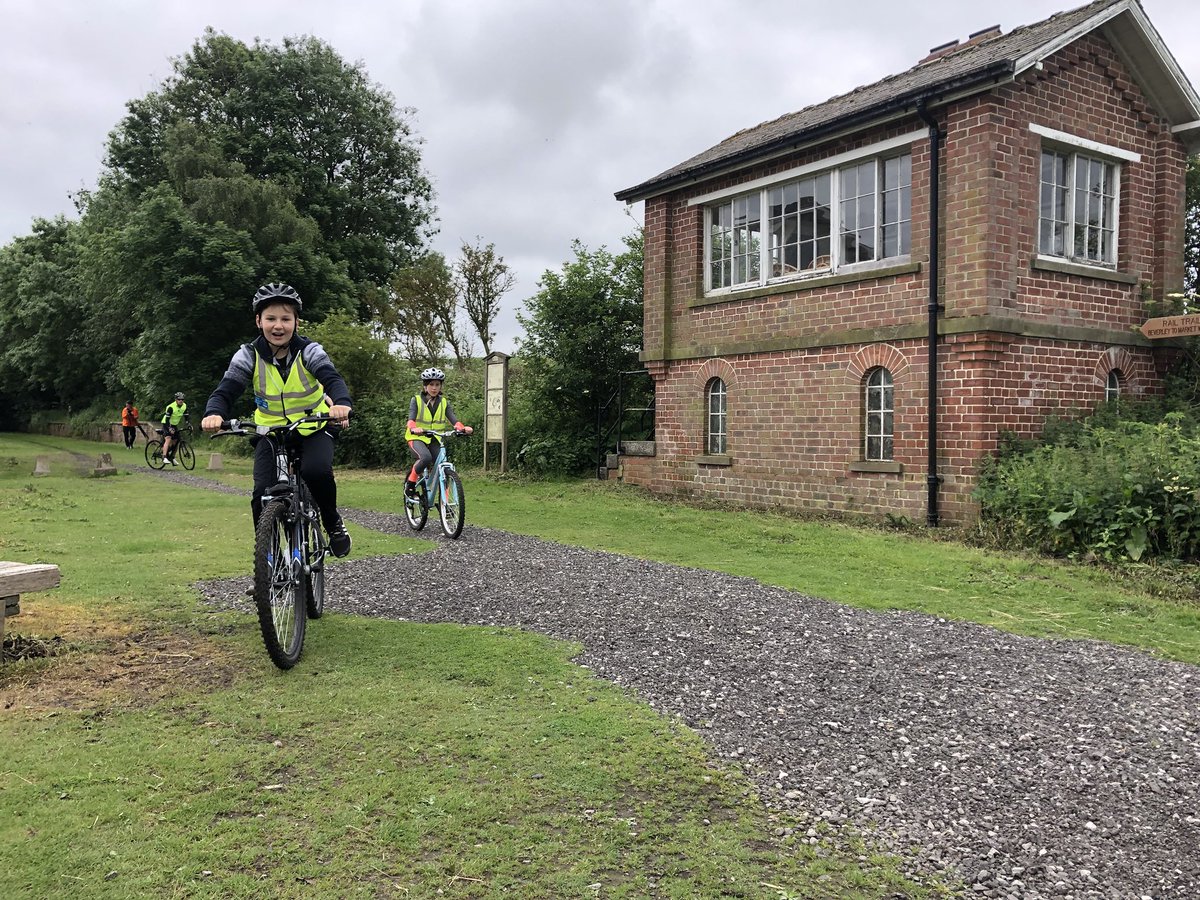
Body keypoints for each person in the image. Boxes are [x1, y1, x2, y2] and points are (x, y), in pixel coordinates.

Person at [201, 283, 353, 558]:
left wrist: (341, 403)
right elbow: (227, 389)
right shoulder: (248, 354)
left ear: (296, 321)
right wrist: (214, 413)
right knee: (261, 493)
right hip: (269, 433)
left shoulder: (309, 351)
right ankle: (267, 560)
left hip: (312, 428)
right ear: (259, 321)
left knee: (316, 472)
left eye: (286, 318)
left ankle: (332, 522)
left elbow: (331, 377)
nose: (278, 326)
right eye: (271, 318)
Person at [404, 367, 473, 497]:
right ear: (425, 386)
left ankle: (445, 503)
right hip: (417, 438)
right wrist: (414, 428)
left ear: (441, 386)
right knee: (425, 458)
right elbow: (410, 420)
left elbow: (454, 420)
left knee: (443, 466)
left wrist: (462, 428)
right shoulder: (416, 400)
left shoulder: (444, 402)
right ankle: (411, 484)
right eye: (431, 384)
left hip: (435, 438)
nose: (434, 388)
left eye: (437, 384)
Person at [160, 392, 188, 465]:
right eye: (179, 399)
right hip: (166, 423)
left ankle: (172, 457)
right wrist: (169, 428)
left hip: (174, 424)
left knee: (177, 441)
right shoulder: (171, 407)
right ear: (176, 400)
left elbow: (186, 415)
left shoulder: (184, 406)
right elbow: (167, 419)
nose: (181, 401)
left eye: (182, 399)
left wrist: (188, 423)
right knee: (168, 438)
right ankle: (164, 457)